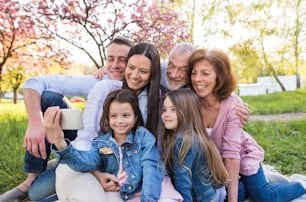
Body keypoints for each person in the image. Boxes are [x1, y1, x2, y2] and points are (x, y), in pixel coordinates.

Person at [0, 37, 133, 202]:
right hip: (84, 148)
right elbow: (34, 82)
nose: (114, 65)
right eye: (110, 59)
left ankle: (61, 162)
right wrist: (36, 123)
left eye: (123, 60)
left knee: (38, 194)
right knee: (49, 97)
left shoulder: (141, 91)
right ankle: (31, 178)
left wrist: (96, 173)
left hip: (107, 160)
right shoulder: (98, 82)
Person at [188, 48, 306, 202]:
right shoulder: (188, 101)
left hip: (241, 155)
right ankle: (255, 184)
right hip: (215, 165)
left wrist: (232, 200)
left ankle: (300, 184)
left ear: (220, 76)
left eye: (205, 73)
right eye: (194, 73)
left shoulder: (233, 104)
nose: (197, 79)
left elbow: (231, 154)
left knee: (265, 197)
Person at [53, 42, 163, 201]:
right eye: (131, 67)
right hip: (85, 163)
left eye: (144, 71)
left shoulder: (156, 99)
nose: (135, 75)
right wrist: (95, 173)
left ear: (153, 73)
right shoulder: (106, 89)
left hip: (118, 176)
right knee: (38, 190)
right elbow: (86, 137)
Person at [44, 89, 182, 202]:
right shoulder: (101, 143)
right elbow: (85, 162)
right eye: (114, 116)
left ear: (136, 118)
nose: (120, 121)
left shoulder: (143, 136)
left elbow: (151, 169)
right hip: (125, 195)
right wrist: (60, 143)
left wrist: (148, 199)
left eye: (126, 115)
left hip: (156, 191)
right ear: (108, 119)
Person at [161, 88, 229, 202]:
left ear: (187, 112)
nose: (166, 114)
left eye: (173, 110)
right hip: (215, 191)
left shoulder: (183, 140)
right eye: (164, 110)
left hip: (206, 197)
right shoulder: (192, 134)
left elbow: (182, 181)